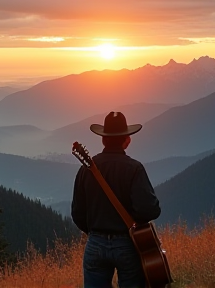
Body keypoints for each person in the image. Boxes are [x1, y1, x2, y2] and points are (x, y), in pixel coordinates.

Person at [71, 111, 161, 288]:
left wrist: (96, 233)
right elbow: (149, 210)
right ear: (127, 140)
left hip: (95, 243)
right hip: (127, 244)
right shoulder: (134, 169)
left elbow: (77, 213)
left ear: (103, 139)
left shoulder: (86, 170)